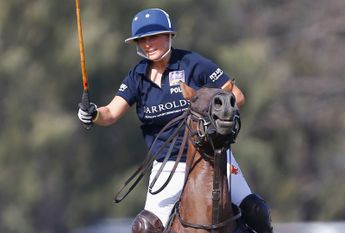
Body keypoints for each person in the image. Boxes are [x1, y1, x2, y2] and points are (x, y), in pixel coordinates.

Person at [78, 8, 273, 233]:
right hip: (168, 163)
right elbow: (110, 113)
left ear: (169, 36)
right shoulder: (137, 76)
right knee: (144, 227)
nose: (148, 43)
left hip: (212, 156)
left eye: (154, 37)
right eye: (142, 39)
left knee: (255, 209)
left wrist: (213, 111)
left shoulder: (192, 63)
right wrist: (93, 114)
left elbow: (236, 95)